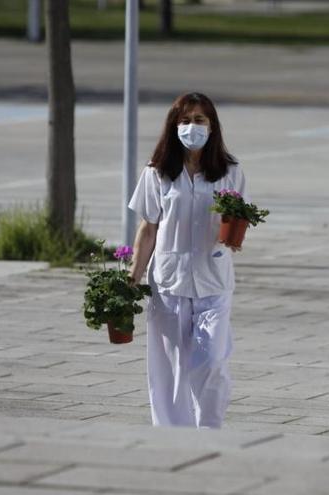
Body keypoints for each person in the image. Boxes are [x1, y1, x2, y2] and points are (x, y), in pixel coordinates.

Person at [127, 92, 247, 429]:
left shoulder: (230, 171)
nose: (191, 127)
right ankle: (172, 435)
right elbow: (148, 228)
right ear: (173, 126)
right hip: (170, 282)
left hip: (213, 280)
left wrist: (235, 233)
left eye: (198, 120)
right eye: (184, 120)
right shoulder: (157, 172)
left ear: (211, 126)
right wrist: (132, 278)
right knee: (170, 368)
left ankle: (209, 429)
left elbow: (240, 217)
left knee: (211, 360)